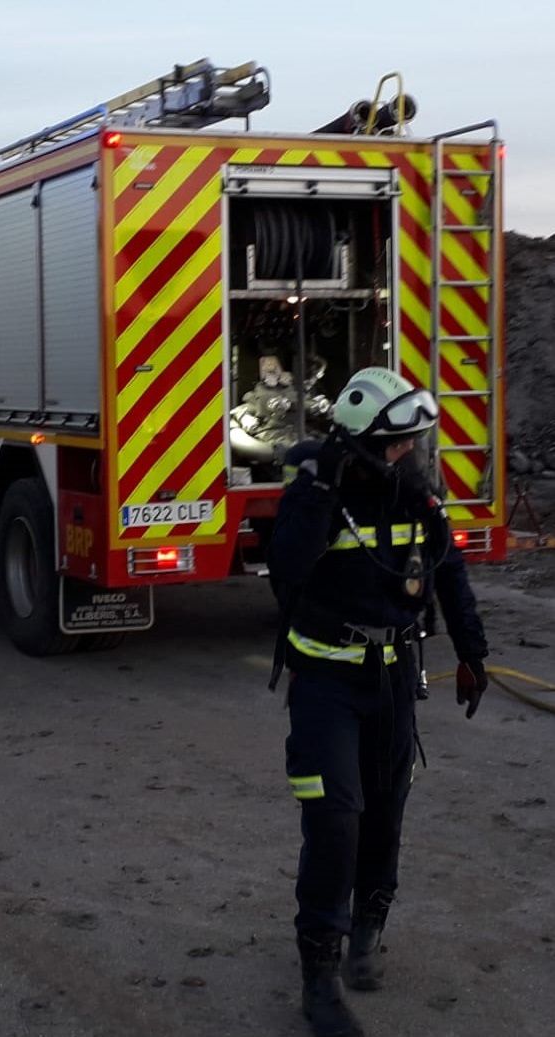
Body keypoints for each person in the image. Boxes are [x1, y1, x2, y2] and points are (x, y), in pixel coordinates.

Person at [267, 367, 489, 1037]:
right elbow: (284, 576)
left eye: (415, 443)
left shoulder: (414, 496)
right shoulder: (319, 494)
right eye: (398, 445)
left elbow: (447, 568)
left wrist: (472, 652)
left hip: (393, 681)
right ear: (363, 443)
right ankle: (318, 975)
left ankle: (367, 928)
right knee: (336, 820)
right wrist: (317, 488)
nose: (410, 455)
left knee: (384, 815)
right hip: (325, 684)